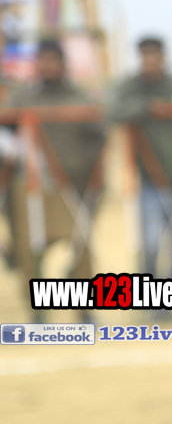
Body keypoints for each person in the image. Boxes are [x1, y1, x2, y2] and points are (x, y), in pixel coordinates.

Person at [4, 38, 105, 313]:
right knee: (29, 250)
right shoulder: (23, 98)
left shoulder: (81, 98)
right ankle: (37, 311)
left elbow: (100, 139)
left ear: (63, 64)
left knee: (81, 247)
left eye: (53, 60)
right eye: (43, 60)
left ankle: (83, 308)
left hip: (75, 187)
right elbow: (5, 134)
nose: (48, 66)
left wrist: (91, 177)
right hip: (32, 187)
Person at [107, 36, 172, 280]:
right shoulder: (130, 87)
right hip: (151, 180)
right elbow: (111, 110)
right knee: (150, 243)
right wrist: (146, 107)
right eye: (145, 55)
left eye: (154, 55)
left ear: (163, 57)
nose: (149, 61)